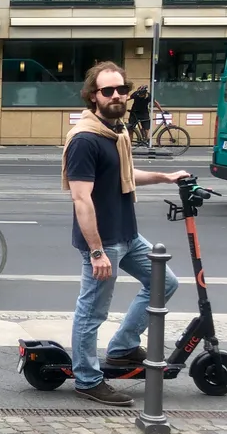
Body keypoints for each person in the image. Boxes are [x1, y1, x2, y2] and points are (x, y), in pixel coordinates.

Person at [60, 63, 189, 407]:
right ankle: (87, 379)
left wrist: (166, 176)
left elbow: (126, 174)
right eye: (107, 91)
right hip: (104, 242)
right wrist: (97, 251)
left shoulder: (117, 133)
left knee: (166, 283)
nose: (116, 95)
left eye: (121, 89)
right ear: (93, 96)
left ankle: (122, 348)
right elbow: (81, 198)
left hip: (128, 234)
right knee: (92, 312)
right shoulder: (86, 140)